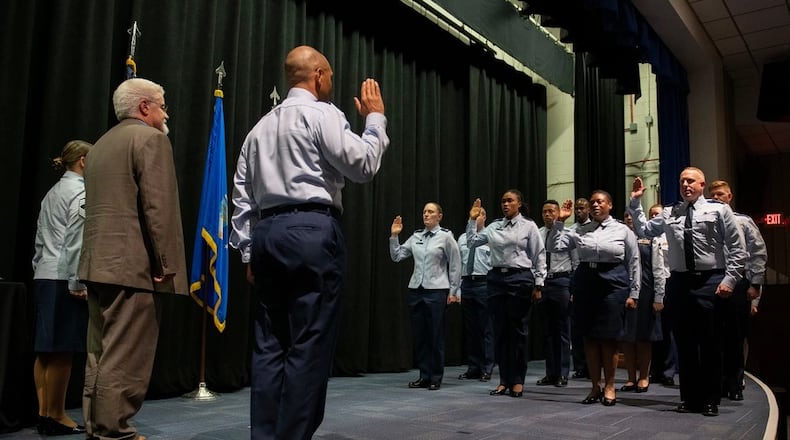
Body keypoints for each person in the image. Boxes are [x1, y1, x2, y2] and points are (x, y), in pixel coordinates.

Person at [229, 45, 390, 439]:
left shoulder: (258, 129)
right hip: (313, 231)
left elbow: (241, 197)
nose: (332, 82)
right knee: (309, 343)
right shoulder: (323, 114)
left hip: (267, 235)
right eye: (330, 75)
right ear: (317, 75)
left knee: (269, 346)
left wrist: (250, 250)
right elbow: (363, 165)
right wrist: (375, 120)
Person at [78, 77, 188, 440]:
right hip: (132, 268)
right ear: (144, 107)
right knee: (126, 355)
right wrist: (165, 265)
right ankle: (114, 430)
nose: (165, 112)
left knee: (100, 352)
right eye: (162, 104)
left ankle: (97, 426)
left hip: (98, 264)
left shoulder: (100, 145)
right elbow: (158, 208)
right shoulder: (151, 139)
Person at [629, 168, 746, 417]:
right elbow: (644, 230)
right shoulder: (671, 212)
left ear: (702, 184)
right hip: (679, 282)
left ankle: (711, 399)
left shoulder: (719, 210)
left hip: (710, 280)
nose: (685, 184)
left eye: (690, 180)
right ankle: (690, 398)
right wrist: (636, 201)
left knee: (710, 343)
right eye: (682, 181)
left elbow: (737, 248)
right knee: (684, 343)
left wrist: (729, 279)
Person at [555, 191, 640, 407]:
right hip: (586, 281)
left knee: (609, 338)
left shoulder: (622, 229)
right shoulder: (579, 229)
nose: (595, 205)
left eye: (600, 202)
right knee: (590, 337)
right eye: (592, 202)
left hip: (614, 281)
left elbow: (634, 261)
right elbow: (554, 247)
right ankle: (595, 386)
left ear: (610, 205)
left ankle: (610, 386)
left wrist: (634, 292)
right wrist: (560, 222)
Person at [31, 140, 92, 436]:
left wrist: (39, 268)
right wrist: (76, 281)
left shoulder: (52, 192)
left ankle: (44, 413)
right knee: (63, 350)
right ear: (82, 161)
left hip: (44, 274)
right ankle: (56, 415)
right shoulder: (80, 191)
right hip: (63, 277)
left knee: (45, 350)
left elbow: (40, 240)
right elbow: (75, 240)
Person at [465, 191, 545, 398]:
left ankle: (517, 380)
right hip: (496, 280)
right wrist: (472, 220)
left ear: (519, 203)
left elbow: (539, 255)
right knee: (500, 332)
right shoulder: (493, 226)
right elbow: (472, 241)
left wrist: (539, 284)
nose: (506, 204)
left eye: (510, 200)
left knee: (517, 332)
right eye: (503, 201)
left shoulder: (529, 226)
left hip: (519, 279)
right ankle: (503, 380)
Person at [390, 202, 462, 390]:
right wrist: (394, 236)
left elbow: (455, 263)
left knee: (435, 335)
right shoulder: (416, 236)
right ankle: (424, 375)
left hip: (437, 291)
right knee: (420, 336)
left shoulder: (446, 236)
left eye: (430, 212)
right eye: (424, 212)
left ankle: (435, 377)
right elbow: (397, 256)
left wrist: (454, 291)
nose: (426, 215)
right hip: (416, 290)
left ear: (439, 216)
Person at [708, 179, 766, 401]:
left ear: (729, 197)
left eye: (721, 195)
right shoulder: (708, 222)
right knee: (715, 336)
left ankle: (734, 383)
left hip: (739, 282)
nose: (717, 198)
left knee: (735, 335)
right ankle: (719, 382)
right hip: (713, 283)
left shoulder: (743, 222)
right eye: (713, 195)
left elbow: (757, 252)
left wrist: (755, 283)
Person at [619, 207, 668, 394]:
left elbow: (658, 269)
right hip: (624, 290)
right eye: (626, 216)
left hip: (646, 291)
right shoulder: (619, 238)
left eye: (632, 216)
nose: (629, 219)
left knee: (644, 337)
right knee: (627, 337)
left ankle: (644, 377)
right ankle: (630, 378)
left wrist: (659, 296)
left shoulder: (651, 239)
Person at [535, 199, 577, 388]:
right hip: (544, 283)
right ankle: (550, 373)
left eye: (551, 211)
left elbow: (576, 262)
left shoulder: (569, 234)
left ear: (559, 213)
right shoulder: (538, 234)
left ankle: (563, 373)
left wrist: (573, 288)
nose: (548, 215)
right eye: (544, 211)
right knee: (547, 331)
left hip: (562, 282)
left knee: (562, 331)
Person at [456, 208, 495, 382]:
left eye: (478, 215)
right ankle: (473, 366)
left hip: (484, 283)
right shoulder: (463, 238)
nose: (475, 218)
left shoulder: (491, 236)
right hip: (467, 283)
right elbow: (457, 266)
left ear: (484, 217)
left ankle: (487, 367)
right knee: (471, 329)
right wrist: (456, 290)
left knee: (486, 328)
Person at [569, 197, 591, 379]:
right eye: (577, 209)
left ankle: (594, 366)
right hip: (575, 278)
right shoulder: (570, 231)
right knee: (576, 328)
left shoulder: (596, 228)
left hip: (593, 277)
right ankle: (580, 365)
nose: (578, 211)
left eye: (582, 208)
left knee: (592, 326)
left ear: (589, 209)